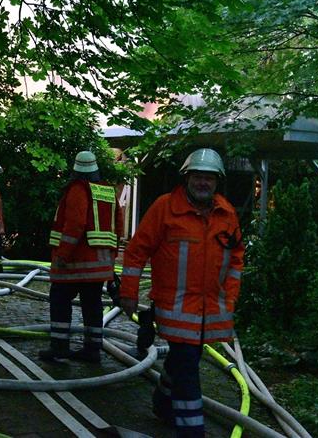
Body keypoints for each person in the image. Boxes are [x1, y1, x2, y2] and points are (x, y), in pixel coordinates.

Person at [120, 148, 244, 437]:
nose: (203, 183)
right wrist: (128, 293)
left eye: (209, 178)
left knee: (182, 360)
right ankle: (192, 431)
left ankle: (163, 403)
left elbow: (236, 258)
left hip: (210, 311)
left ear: (217, 182)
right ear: (187, 178)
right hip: (176, 310)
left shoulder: (226, 214)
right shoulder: (165, 208)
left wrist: (230, 297)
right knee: (188, 369)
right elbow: (137, 252)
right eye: (198, 176)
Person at [39, 151, 122, 363]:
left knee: (59, 298)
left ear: (75, 170)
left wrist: (63, 255)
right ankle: (93, 350)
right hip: (101, 262)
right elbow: (118, 226)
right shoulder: (107, 190)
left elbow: (75, 225)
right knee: (92, 303)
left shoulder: (78, 189)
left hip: (76, 261)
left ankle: (59, 346)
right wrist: (111, 259)